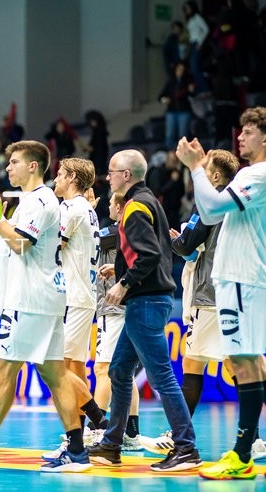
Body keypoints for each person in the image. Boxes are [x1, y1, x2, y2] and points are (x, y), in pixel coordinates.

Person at [0, 141, 94, 473]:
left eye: (13, 163)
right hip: (44, 298)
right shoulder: (29, 202)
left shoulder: (40, 200)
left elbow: (22, 244)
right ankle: (77, 450)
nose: (7, 168)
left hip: (31, 300)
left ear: (33, 166)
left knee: (4, 372)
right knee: (54, 374)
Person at [87, 150, 202, 472]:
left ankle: (186, 447)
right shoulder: (149, 200)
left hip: (146, 301)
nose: (107, 177)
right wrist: (121, 268)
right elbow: (155, 249)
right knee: (119, 372)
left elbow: (149, 255)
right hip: (149, 298)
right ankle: (112, 443)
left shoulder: (136, 206)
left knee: (161, 375)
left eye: (111, 172)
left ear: (126, 175)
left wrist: (123, 282)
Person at [176, 107, 266, 479]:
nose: (241, 137)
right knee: (245, 362)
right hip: (235, 279)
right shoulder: (249, 175)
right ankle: (245, 450)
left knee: (244, 362)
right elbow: (212, 216)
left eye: (249, 132)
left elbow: (210, 207)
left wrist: (196, 167)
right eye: (240, 131)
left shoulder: (258, 174)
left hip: (244, 278)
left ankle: (242, 454)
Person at [52, 159, 105, 438]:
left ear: (72, 177)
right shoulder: (87, 209)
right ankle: (84, 431)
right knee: (74, 366)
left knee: (57, 366)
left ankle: (100, 421)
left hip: (73, 295)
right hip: (84, 294)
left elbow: (50, 247)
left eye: (60, 175)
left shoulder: (70, 208)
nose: (55, 181)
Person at [92, 194, 142, 451]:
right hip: (123, 306)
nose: (108, 206)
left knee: (104, 369)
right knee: (123, 371)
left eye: (111, 203)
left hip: (114, 308)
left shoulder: (116, 230)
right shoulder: (126, 232)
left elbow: (91, 238)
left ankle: (95, 429)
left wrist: (85, 212)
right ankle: (131, 432)